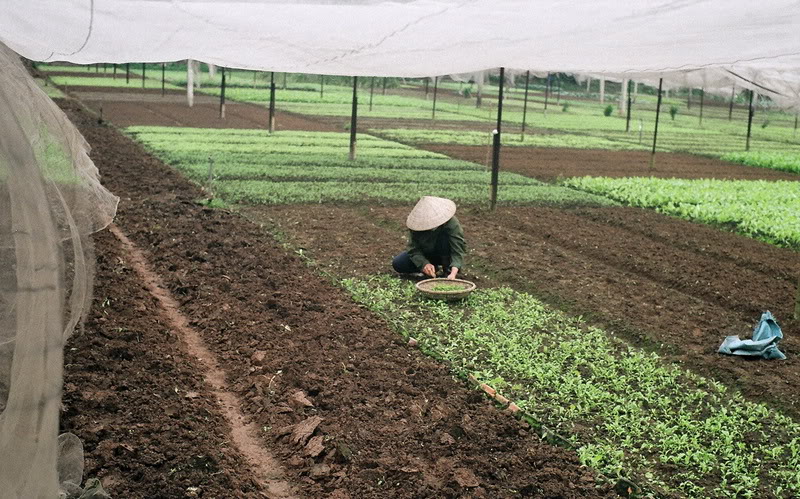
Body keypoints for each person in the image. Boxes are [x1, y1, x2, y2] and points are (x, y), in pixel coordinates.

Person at [392, 196, 466, 279]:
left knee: (444, 239)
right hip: (426, 253)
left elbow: (458, 248)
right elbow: (413, 249)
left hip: (445, 254)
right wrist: (424, 264)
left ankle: (447, 269)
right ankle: (432, 269)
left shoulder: (451, 222)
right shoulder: (416, 226)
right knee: (399, 263)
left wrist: (454, 271)